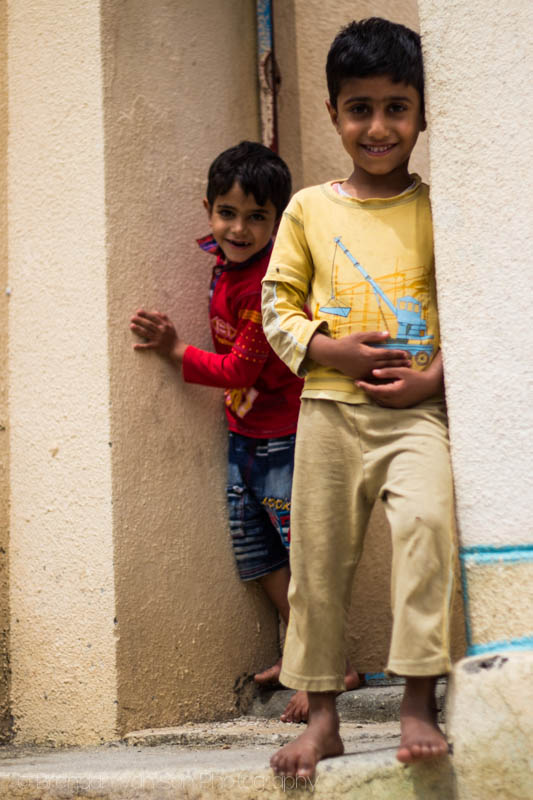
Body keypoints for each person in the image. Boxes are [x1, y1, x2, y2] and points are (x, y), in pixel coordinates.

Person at [262, 18, 455, 778]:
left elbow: (471, 309)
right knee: (315, 563)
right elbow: (277, 305)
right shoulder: (310, 208)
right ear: (334, 111)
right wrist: (328, 348)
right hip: (329, 414)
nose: (377, 127)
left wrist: (431, 381)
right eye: (359, 108)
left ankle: (416, 703)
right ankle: (322, 720)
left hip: (417, 417)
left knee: (427, 530)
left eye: (395, 107)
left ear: (422, 113)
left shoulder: (440, 208)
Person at [129, 141, 359, 723]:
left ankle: (330, 667)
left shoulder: (265, 284)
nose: (239, 228)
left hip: (284, 437)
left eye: (257, 216)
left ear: (278, 221)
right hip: (244, 434)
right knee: (258, 556)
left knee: (302, 554)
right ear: (208, 208)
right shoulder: (223, 260)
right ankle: (297, 653)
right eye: (228, 212)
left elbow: (239, 369)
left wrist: (175, 350)